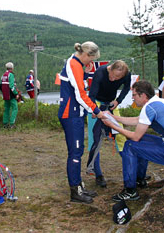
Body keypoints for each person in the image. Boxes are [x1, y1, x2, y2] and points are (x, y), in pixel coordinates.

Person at [102, 80, 164, 202]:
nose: (133, 99)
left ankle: (130, 191)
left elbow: (135, 137)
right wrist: (113, 117)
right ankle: (139, 179)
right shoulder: (158, 102)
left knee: (130, 145)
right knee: (139, 140)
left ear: (143, 95)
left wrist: (113, 126)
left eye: (134, 95)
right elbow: (137, 120)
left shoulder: (149, 107)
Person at [58, 41, 105, 204]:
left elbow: (77, 86)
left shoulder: (76, 63)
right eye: (91, 60)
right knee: (75, 153)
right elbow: (80, 94)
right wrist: (96, 111)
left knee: (78, 150)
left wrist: (85, 73)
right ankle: (75, 192)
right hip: (70, 114)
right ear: (86, 55)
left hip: (75, 113)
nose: (91, 63)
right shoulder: (74, 64)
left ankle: (79, 186)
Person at [86, 60, 131, 188]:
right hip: (96, 104)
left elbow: (127, 87)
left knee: (121, 136)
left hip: (111, 104)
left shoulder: (126, 74)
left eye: (118, 78)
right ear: (110, 68)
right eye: (113, 75)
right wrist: (95, 110)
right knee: (94, 140)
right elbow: (92, 95)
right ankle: (98, 174)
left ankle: (131, 168)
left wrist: (118, 101)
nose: (113, 79)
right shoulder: (100, 72)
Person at [0, 62, 19, 128]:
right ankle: (12, 124)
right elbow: (11, 86)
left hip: (5, 95)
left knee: (6, 109)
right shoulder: (10, 75)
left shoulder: (3, 75)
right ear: (12, 68)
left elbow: (0, 86)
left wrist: (4, 93)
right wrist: (16, 93)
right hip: (10, 94)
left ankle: (5, 124)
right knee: (15, 108)